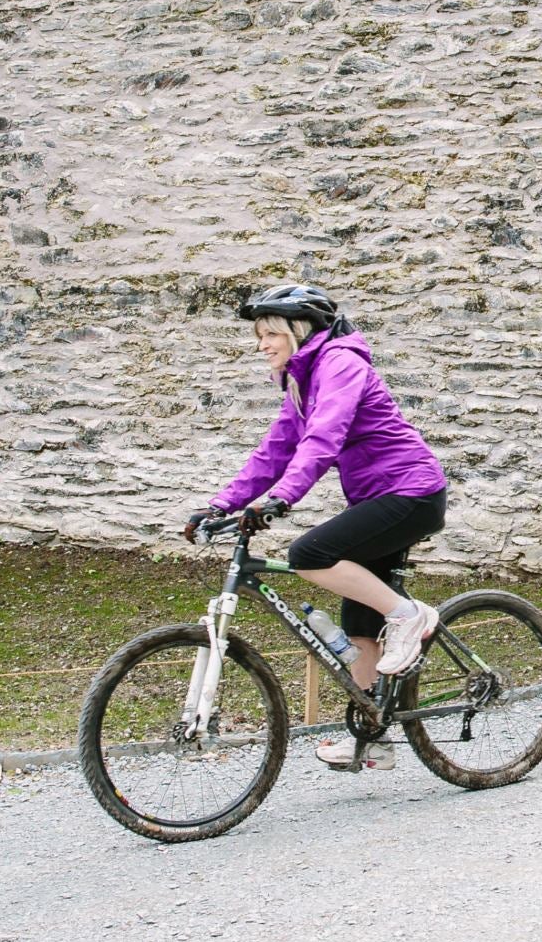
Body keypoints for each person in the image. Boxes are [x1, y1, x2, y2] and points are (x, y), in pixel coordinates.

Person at [186, 283, 447, 772]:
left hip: (411, 492)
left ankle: (411, 617)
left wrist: (283, 499)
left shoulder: (341, 364)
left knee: (309, 554)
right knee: (359, 629)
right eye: (258, 336)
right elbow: (276, 450)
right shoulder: (300, 381)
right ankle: (374, 737)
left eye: (269, 333)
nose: (261, 344)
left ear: (297, 329)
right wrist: (220, 504)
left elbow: (324, 438)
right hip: (376, 499)